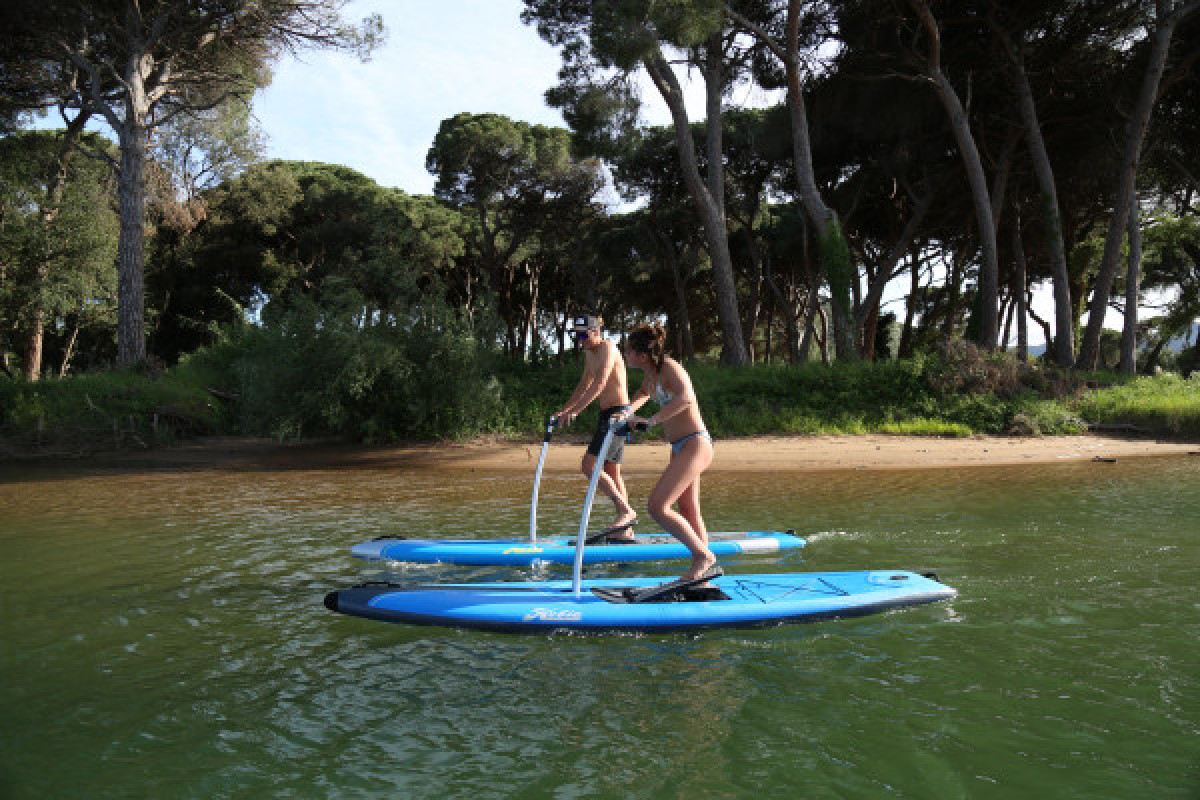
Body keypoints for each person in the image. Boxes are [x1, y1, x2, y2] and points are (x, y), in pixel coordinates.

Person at [621, 323, 720, 587]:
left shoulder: (669, 368)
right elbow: (642, 394)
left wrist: (651, 421)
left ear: (642, 354)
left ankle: (702, 556)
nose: (625, 355)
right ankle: (704, 577)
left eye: (628, 351)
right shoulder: (650, 374)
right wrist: (627, 411)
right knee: (688, 509)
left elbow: (686, 397)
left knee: (657, 507)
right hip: (679, 447)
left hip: (695, 443)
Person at [554, 313, 638, 541]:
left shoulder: (608, 348)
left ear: (596, 332)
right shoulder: (589, 354)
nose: (580, 340)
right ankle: (625, 531)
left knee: (589, 465)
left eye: (583, 335)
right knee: (611, 472)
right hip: (606, 416)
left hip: (618, 415)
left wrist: (576, 411)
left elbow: (600, 383)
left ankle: (626, 512)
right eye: (577, 336)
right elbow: (584, 384)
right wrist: (564, 410)